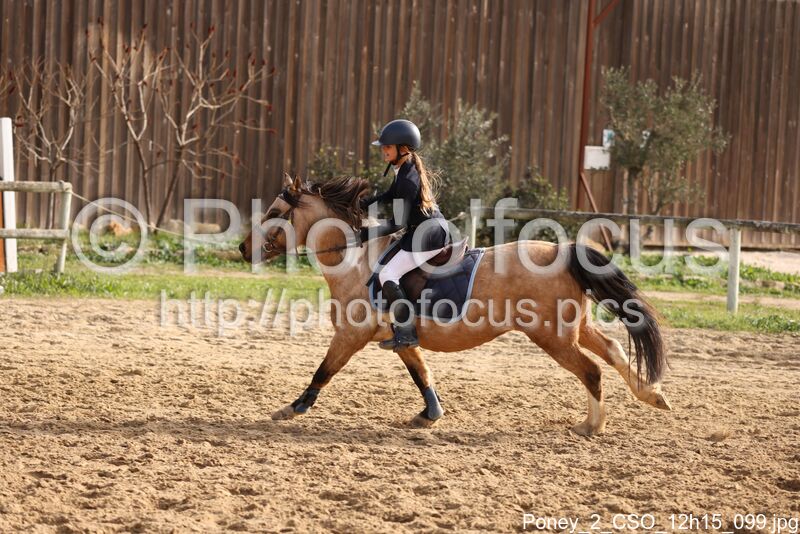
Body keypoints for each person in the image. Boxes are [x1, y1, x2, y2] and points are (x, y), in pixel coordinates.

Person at [359, 119, 451, 351]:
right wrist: (364, 203)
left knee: (387, 274)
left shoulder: (408, 180)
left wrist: (366, 234)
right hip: (422, 231)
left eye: (388, 146)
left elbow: (396, 224)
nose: (383, 150)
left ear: (403, 149)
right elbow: (390, 194)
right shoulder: (404, 169)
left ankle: (406, 331)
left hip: (428, 236)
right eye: (383, 146)